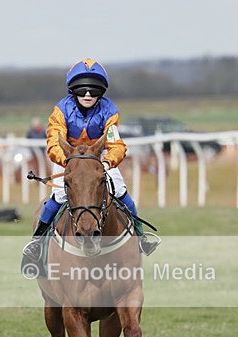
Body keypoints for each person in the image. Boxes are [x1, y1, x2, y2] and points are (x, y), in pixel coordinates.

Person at [22, 58, 160, 261]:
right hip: (68, 159)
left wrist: (107, 162)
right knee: (59, 196)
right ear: (73, 90)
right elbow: (53, 142)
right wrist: (69, 160)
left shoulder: (109, 110)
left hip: (99, 157)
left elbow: (116, 144)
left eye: (93, 90)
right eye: (82, 90)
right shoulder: (61, 110)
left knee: (120, 190)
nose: (87, 94)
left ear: (101, 92)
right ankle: (37, 243)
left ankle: (141, 238)